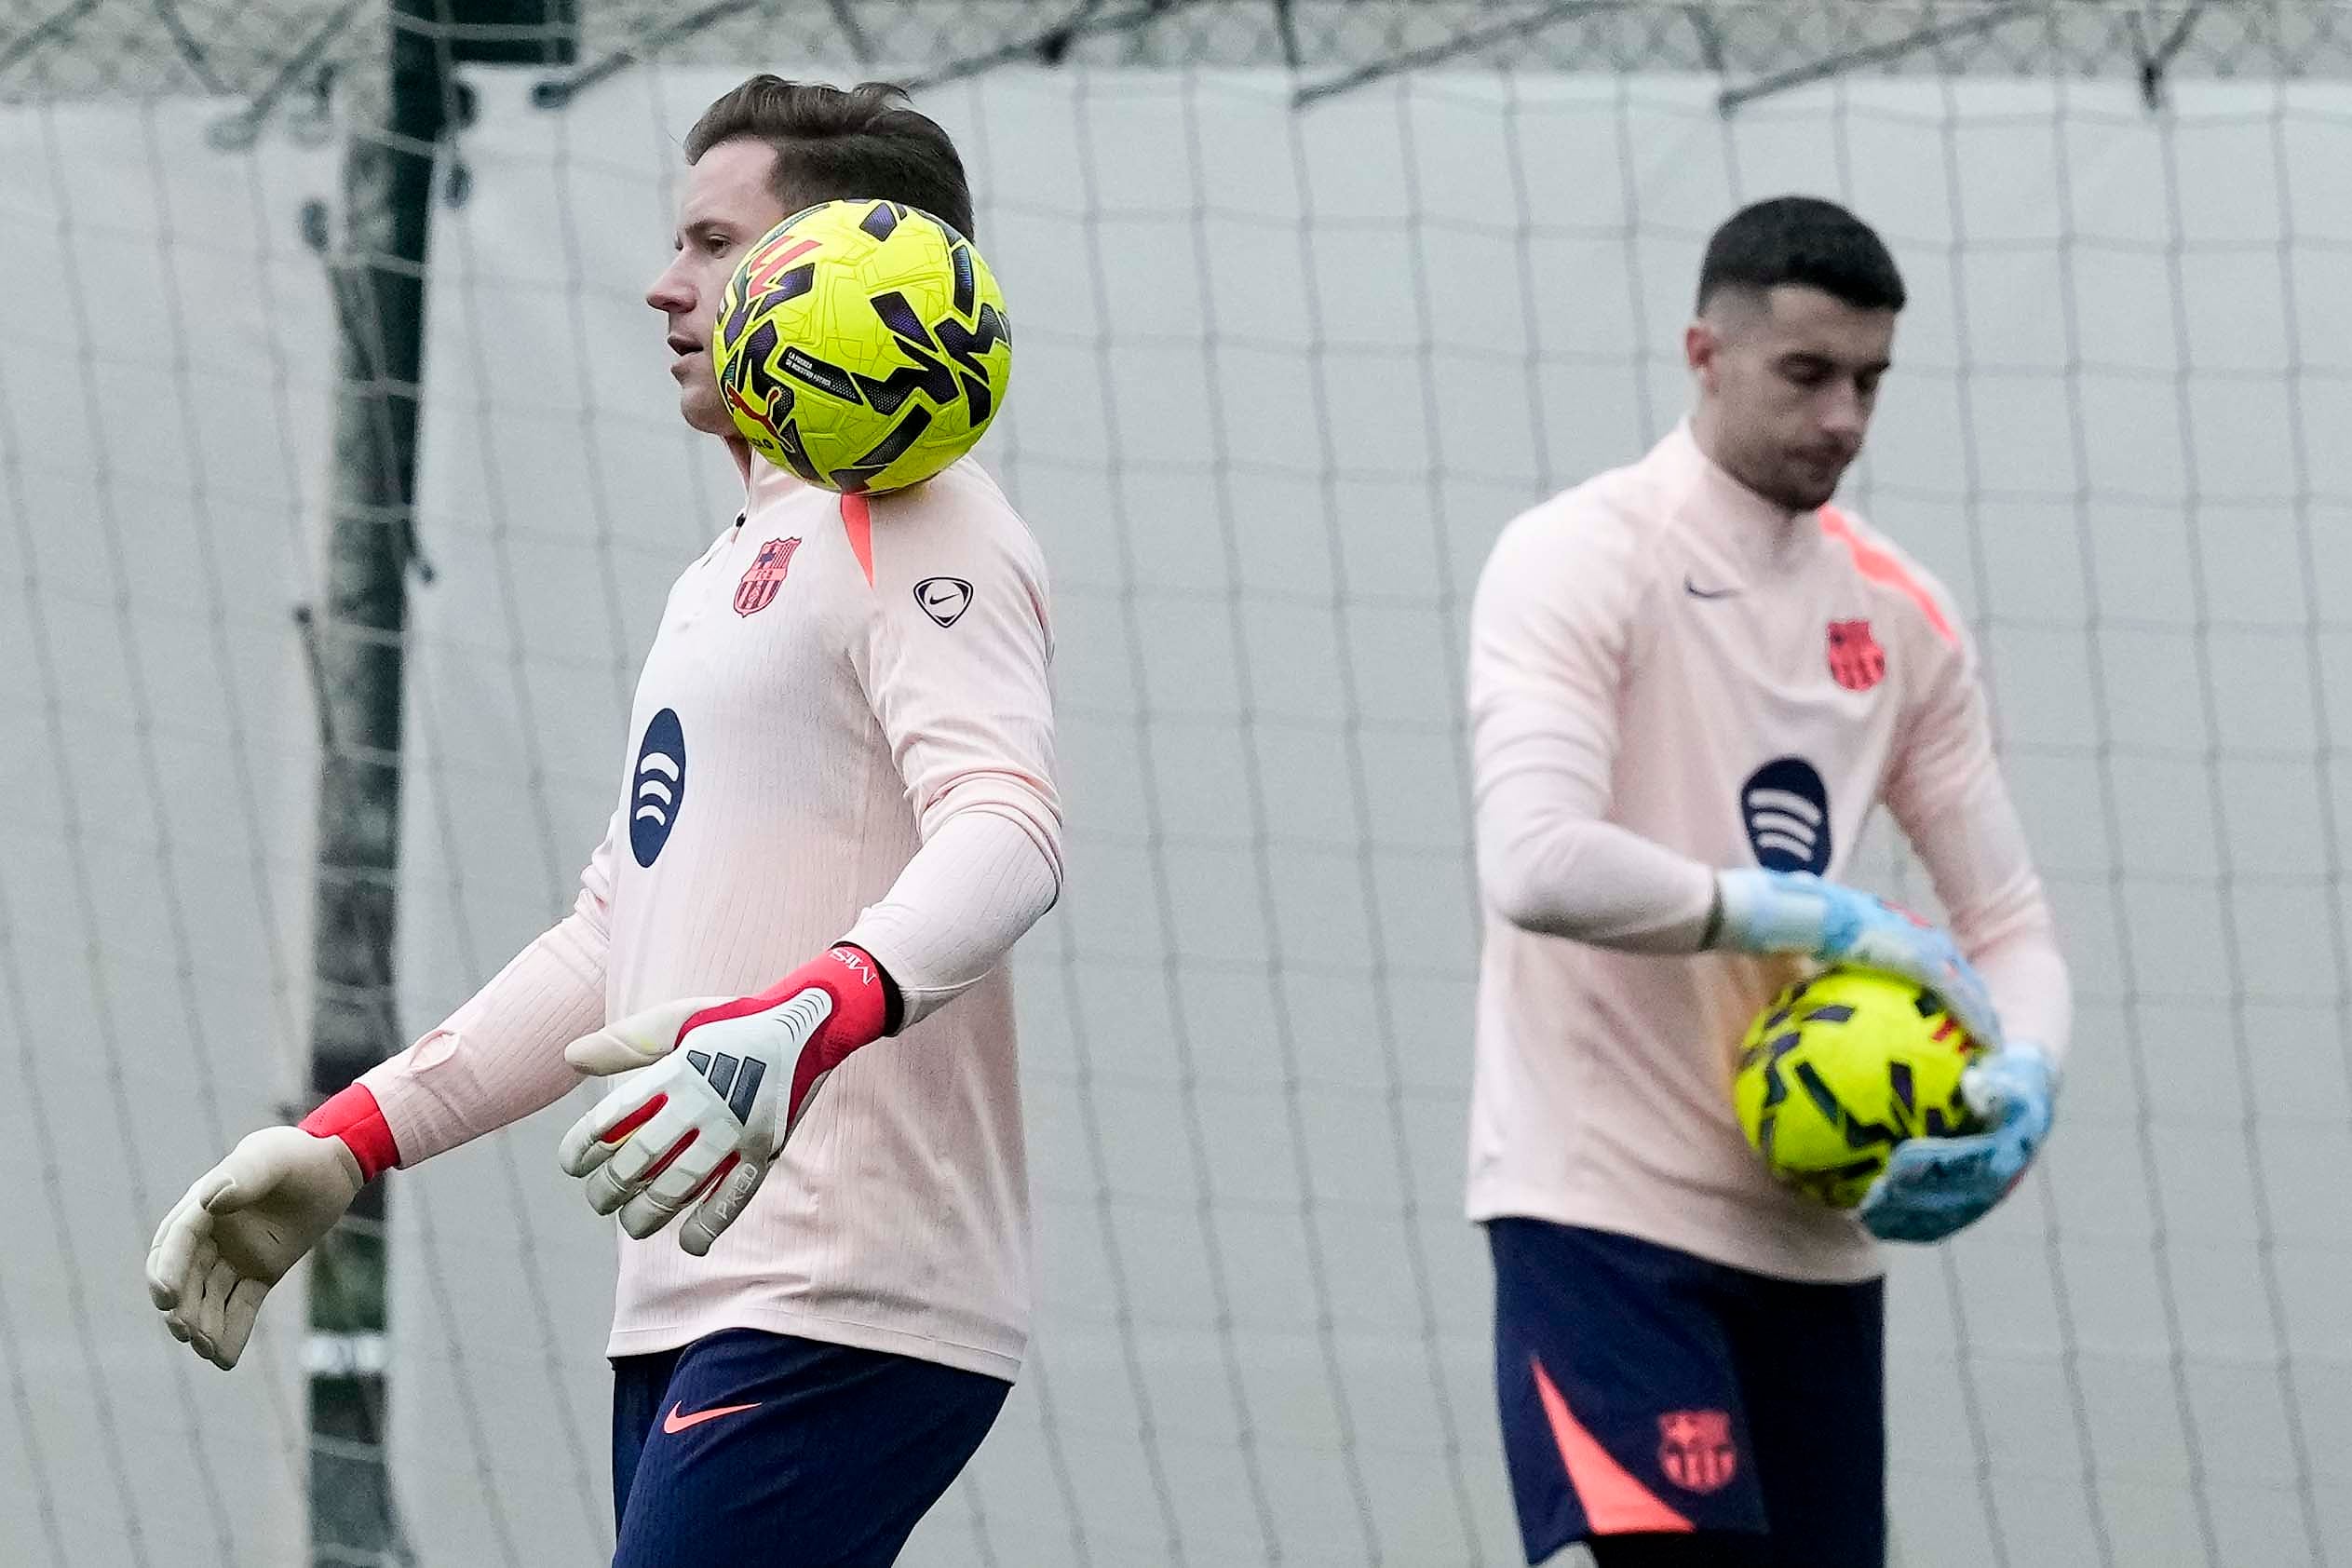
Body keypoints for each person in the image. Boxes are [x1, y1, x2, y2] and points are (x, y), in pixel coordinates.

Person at [144, 76, 1061, 1568]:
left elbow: (1009, 828)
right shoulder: (730, 568)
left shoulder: (919, 510)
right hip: (701, 1283)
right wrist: (347, 1142)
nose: (664, 283)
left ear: (843, 274)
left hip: (840, 1280)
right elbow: (611, 932)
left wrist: (797, 1022)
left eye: (710, 241)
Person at [1465, 196, 2068, 1568]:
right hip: (1598, 1206)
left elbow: (2010, 924)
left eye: (1869, 382)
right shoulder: (1574, 558)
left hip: (1814, 1226)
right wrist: (1817, 913)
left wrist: (2022, 1084)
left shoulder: (1901, 615)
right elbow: (1536, 859)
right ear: (1703, 353)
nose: (1844, 418)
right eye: (1807, 374)